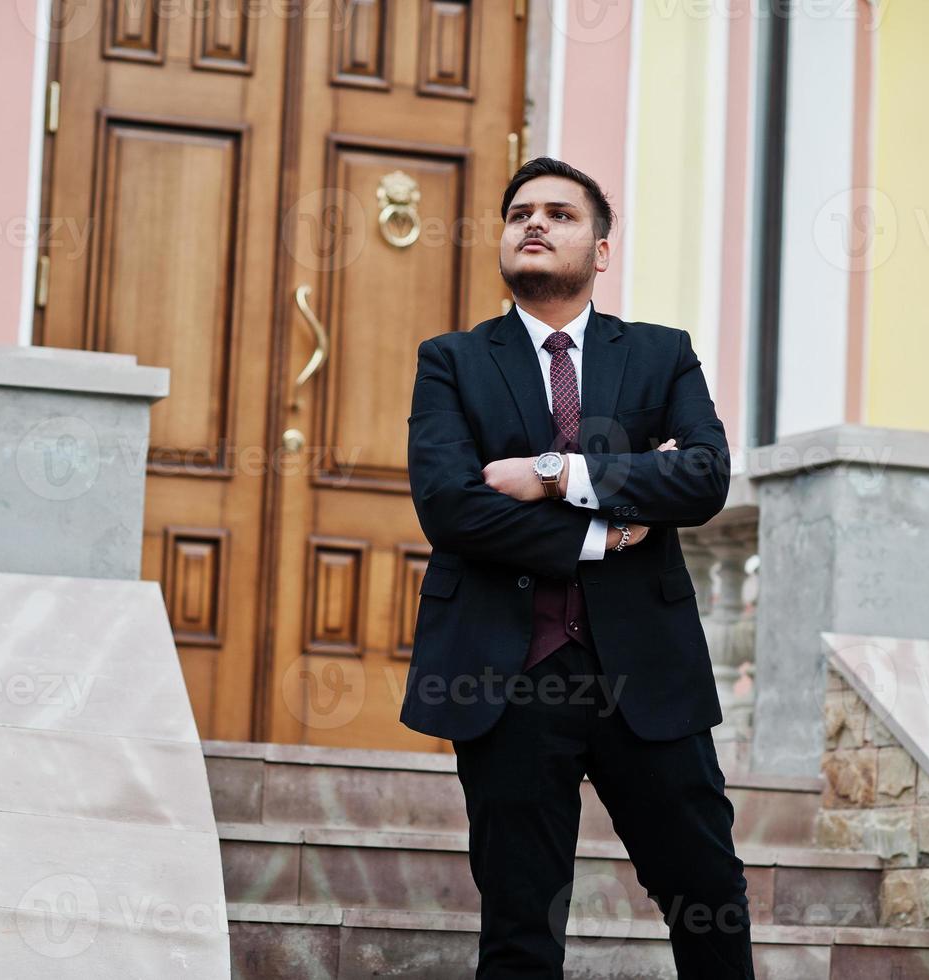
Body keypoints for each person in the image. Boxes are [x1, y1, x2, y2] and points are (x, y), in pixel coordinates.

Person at [401, 156, 755, 978]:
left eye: (560, 214)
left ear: (600, 249)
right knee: (521, 915)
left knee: (704, 887)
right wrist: (604, 533)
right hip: (504, 670)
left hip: (645, 670)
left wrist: (556, 475)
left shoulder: (660, 355)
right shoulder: (451, 360)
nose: (534, 223)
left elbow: (702, 476)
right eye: (520, 211)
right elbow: (450, 507)